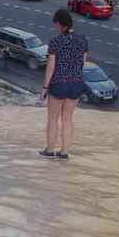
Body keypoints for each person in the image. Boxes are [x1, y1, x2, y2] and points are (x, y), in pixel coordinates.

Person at [40, 8, 88, 161]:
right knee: (68, 119)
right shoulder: (82, 40)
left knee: (53, 119)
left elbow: (51, 66)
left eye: (56, 24)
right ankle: (64, 152)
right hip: (76, 83)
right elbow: (83, 63)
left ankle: (49, 150)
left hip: (59, 83)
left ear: (60, 24)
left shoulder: (55, 41)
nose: (55, 27)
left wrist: (45, 88)